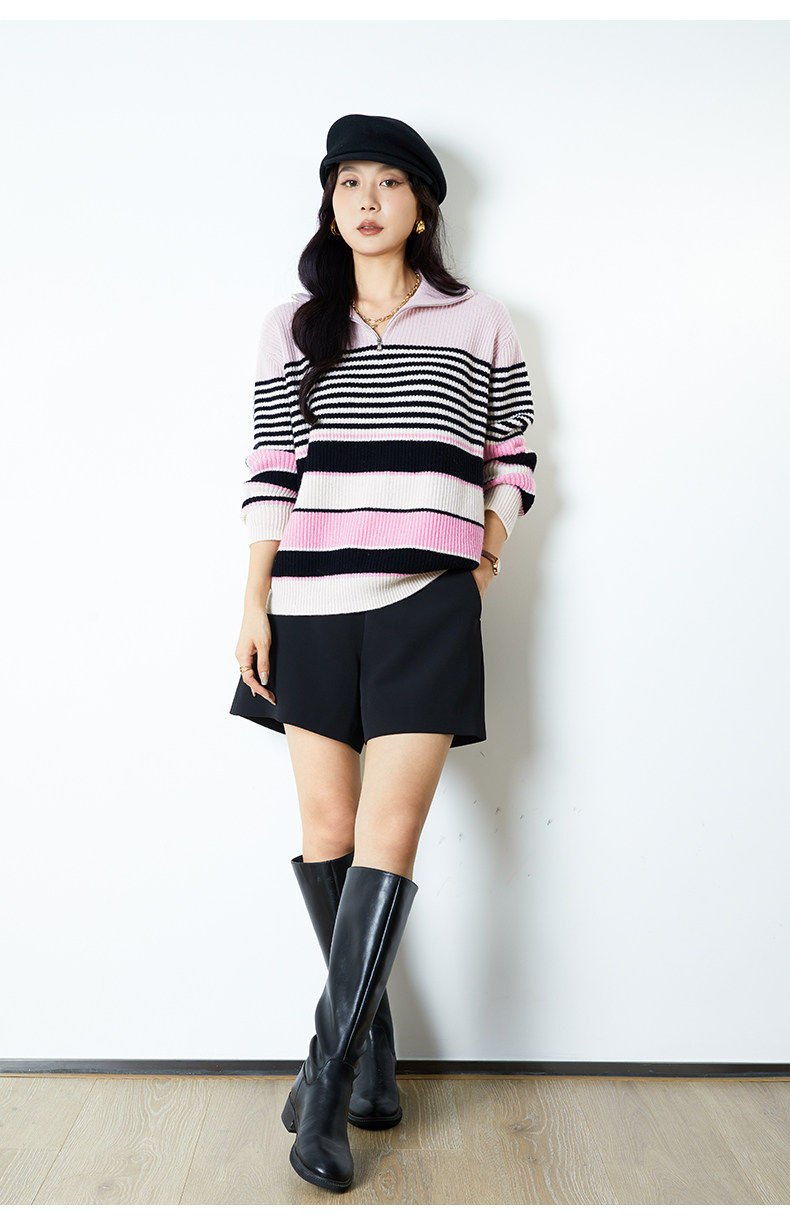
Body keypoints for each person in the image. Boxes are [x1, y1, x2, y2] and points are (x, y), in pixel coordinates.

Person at [229, 113, 537, 1193]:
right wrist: (253, 602)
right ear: (330, 203)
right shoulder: (292, 325)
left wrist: (482, 558)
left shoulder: (478, 318)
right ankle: (372, 1063)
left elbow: (514, 453)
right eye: (348, 182)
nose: (366, 201)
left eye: (389, 183)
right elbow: (271, 467)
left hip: (424, 608)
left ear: (422, 205)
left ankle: (321, 1089)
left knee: (387, 832)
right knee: (325, 831)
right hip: (309, 604)